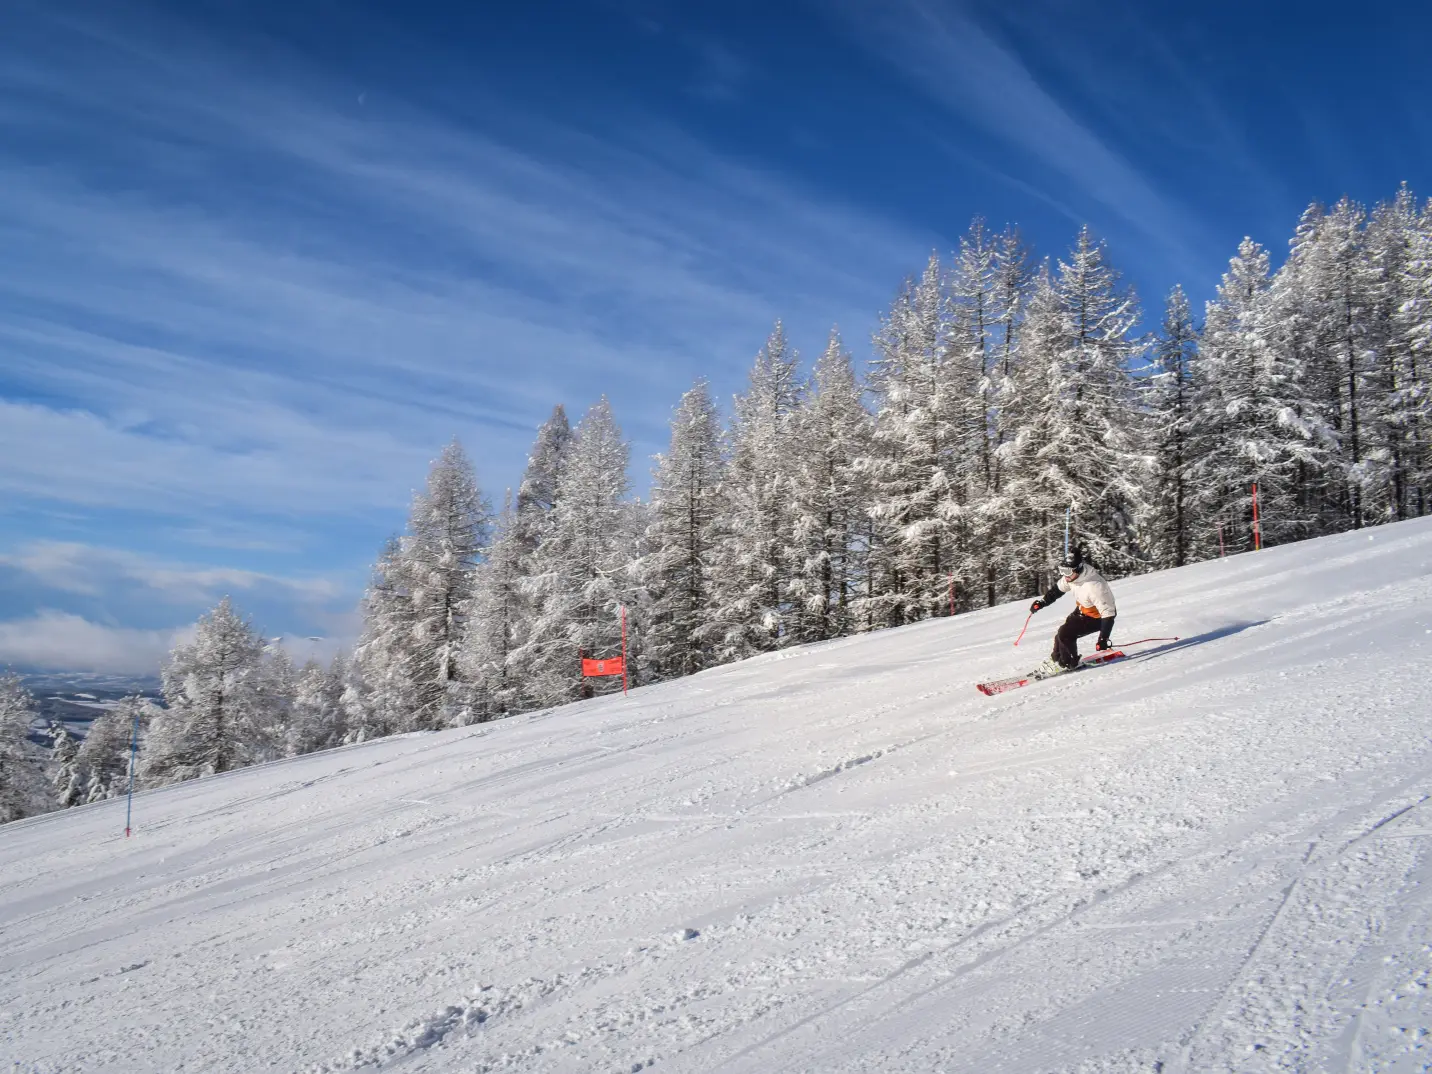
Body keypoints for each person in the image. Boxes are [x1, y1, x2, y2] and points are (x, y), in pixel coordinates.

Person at [1028, 546, 1116, 675]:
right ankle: (1056, 660)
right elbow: (1057, 590)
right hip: (1082, 609)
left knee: (1065, 633)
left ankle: (1068, 663)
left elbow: (1109, 613)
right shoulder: (1072, 577)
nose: (1065, 575)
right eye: (1062, 570)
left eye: (1067, 571)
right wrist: (1042, 602)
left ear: (1078, 569)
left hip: (1098, 618)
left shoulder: (1094, 586)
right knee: (1061, 634)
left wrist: (1103, 638)